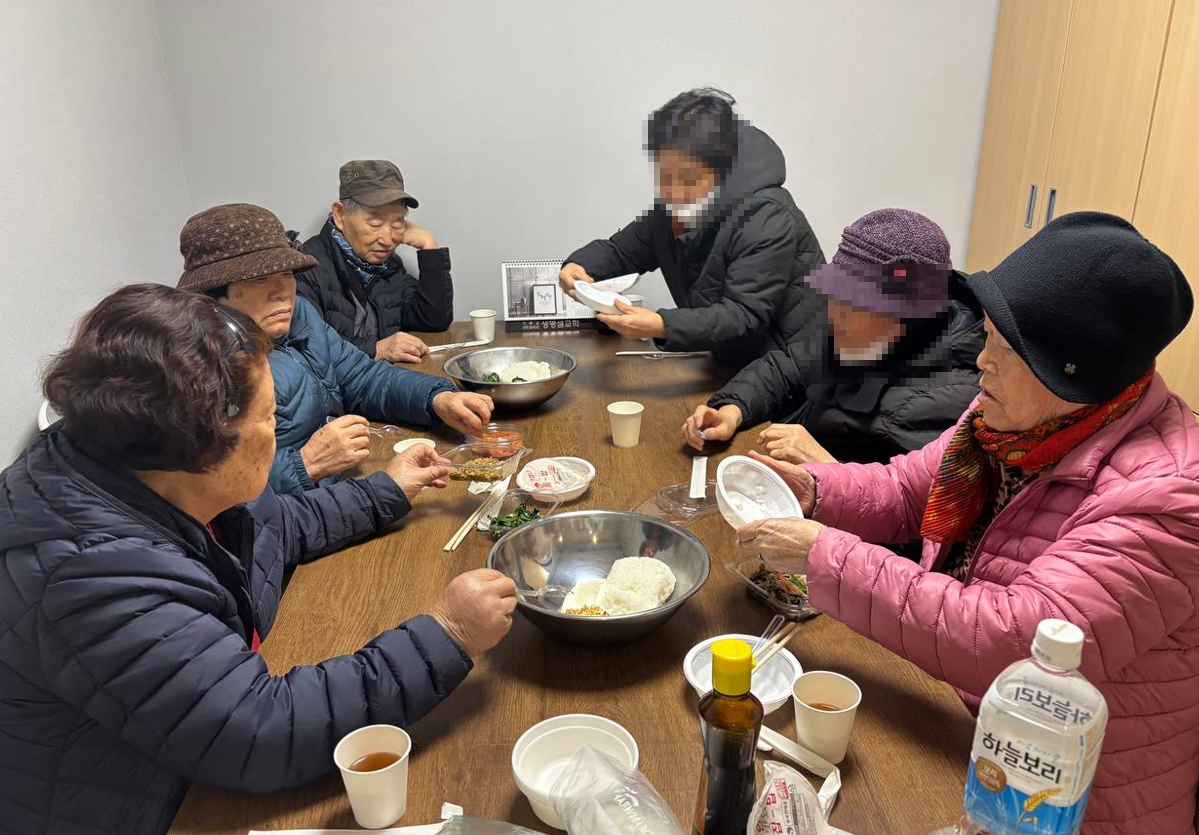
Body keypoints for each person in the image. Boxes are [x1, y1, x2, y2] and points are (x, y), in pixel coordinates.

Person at [736, 212, 1199, 834]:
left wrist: (823, 555)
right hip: (968, 725)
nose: (982, 363)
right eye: (987, 338)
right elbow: (907, 489)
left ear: (1073, 372)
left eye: (1004, 352)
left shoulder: (1168, 496)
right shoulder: (1008, 418)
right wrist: (815, 489)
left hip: (1066, 803)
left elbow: (1014, 640)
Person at [0, 284, 517, 835]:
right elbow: (257, 731)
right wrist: (448, 633)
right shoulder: (90, 572)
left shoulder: (158, 471)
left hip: (184, 761)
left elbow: (276, 526)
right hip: (151, 809)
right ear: (205, 444)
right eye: (270, 418)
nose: (279, 437)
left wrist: (387, 489)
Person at [176, 203, 492, 496]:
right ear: (215, 296)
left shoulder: (300, 314)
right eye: (260, 279)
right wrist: (306, 464)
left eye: (287, 274)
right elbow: (210, 489)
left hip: (336, 486)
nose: (283, 292)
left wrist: (436, 399)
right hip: (295, 515)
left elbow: (363, 378)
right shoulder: (200, 365)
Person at [684, 209, 983, 465]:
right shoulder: (867, 335)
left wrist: (825, 465)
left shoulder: (949, 399)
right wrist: (732, 411)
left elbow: (915, 503)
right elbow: (787, 367)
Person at [558, 88, 825, 369]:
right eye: (664, 176)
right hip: (735, 365)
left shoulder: (767, 214)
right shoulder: (672, 210)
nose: (672, 192)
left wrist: (662, 325)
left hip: (795, 371)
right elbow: (621, 251)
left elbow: (742, 316)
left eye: (688, 180)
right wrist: (579, 265)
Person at [297, 159, 453, 363]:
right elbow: (307, 349)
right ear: (340, 215)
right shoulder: (305, 267)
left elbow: (433, 320)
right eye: (375, 224)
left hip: (386, 379)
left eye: (396, 225)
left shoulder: (390, 266)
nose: (387, 240)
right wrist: (377, 349)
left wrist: (430, 248)